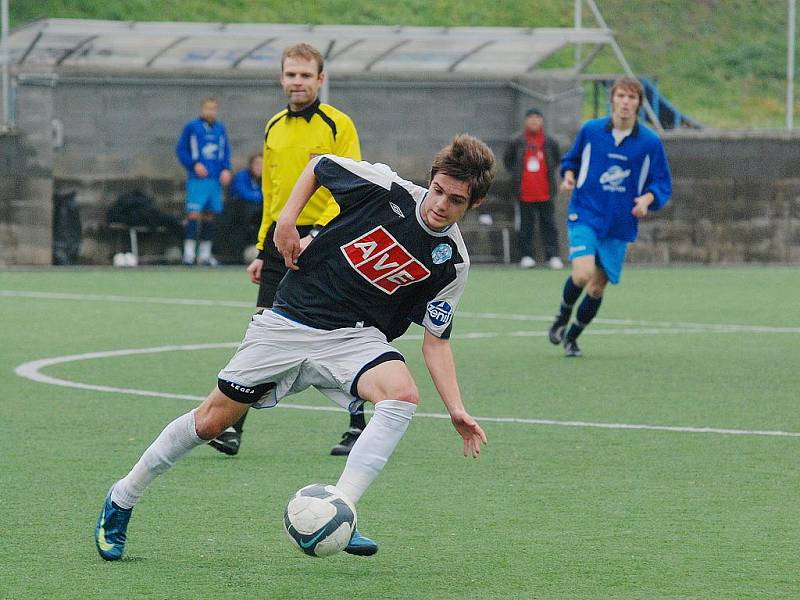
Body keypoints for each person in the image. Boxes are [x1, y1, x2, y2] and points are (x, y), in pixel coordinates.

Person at [94, 134, 496, 561]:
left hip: (353, 337)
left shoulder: (451, 262)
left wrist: (456, 408)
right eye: (438, 190)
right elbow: (319, 165)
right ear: (431, 179)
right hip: (290, 320)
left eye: (455, 200)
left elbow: (436, 342)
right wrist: (286, 222)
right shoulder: (383, 188)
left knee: (402, 395)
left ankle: (340, 508)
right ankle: (123, 496)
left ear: (473, 205)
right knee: (210, 423)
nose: (440, 204)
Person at [210, 43, 362, 457]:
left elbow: (354, 187)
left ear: (320, 79)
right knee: (261, 330)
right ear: (282, 78)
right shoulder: (274, 126)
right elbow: (271, 193)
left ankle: (357, 424)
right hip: (280, 241)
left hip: (324, 239)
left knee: (339, 328)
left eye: (305, 75)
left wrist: (321, 233)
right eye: (290, 75)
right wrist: (263, 248)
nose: (297, 82)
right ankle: (231, 427)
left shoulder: (338, 125)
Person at [548, 76, 672, 357]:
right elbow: (572, 161)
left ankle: (573, 337)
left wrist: (647, 199)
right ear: (612, 99)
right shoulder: (591, 131)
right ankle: (561, 318)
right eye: (621, 96)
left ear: (639, 104)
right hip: (586, 212)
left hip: (620, 224)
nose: (626, 103)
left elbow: (661, 182)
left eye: (632, 98)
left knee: (596, 287)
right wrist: (568, 178)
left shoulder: (650, 142)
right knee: (582, 274)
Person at [503, 108, 563, 270]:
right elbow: (508, 161)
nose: (534, 121)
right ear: (525, 121)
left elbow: (556, 160)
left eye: (537, 118)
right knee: (525, 226)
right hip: (524, 193)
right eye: (531, 118)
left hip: (546, 192)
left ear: (542, 121)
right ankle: (526, 255)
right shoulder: (517, 141)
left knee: (549, 225)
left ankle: (553, 256)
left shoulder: (550, 141)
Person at [175, 97, 232, 266]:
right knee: (194, 213)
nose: (211, 112)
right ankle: (189, 254)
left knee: (210, 215)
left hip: (215, 179)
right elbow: (181, 149)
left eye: (214, 109)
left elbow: (225, 150)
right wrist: (194, 165)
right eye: (208, 108)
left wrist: (226, 169)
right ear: (202, 109)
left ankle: (205, 255)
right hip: (198, 179)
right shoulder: (192, 127)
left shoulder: (220, 129)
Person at [213, 153, 263, 264]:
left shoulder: (266, 179)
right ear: (251, 165)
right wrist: (260, 196)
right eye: (257, 164)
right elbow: (244, 193)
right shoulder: (242, 176)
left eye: (262, 164)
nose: (260, 167)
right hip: (237, 213)